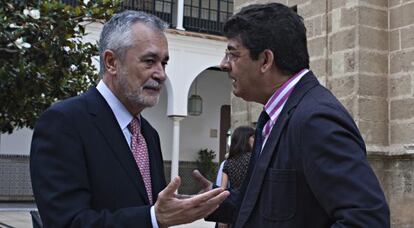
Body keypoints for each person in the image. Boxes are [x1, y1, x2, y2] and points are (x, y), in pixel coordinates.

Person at [196, 3, 390, 227]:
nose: (223, 64)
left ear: (266, 61)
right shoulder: (273, 116)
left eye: (233, 54)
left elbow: (366, 220)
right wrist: (214, 201)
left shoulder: (316, 119)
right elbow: (266, 205)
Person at [30, 10, 229, 228]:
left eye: (164, 63)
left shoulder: (148, 134)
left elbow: (147, 205)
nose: (161, 73)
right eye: (150, 61)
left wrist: (185, 204)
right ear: (111, 62)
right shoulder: (64, 123)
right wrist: (153, 218)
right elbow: (66, 223)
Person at [220, 126, 254, 191]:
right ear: (246, 139)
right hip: (251, 198)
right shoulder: (254, 159)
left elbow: (222, 189)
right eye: (253, 137)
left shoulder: (228, 162)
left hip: (234, 199)